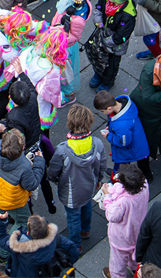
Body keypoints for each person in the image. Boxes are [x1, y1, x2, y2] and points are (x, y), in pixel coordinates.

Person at [47, 104, 106, 250]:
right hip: (89, 186)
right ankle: (86, 230)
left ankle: (75, 245)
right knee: (87, 206)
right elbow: (102, 164)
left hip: (70, 192)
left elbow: (54, 171)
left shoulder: (63, 149)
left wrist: (55, 180)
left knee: (73, 218)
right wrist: (98, 179)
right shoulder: (97, 144)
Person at [0, 129, 45, 262]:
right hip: (13, 201)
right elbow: (32, 184)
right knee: (24, 222)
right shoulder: (23, 166)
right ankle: (2, 253)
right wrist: (39, 162)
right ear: (22, 148)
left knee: (1, 217)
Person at [0, 211, 77, 278]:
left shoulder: (20, 246)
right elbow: (74, 252)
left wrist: (0, 220)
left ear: (28, 233)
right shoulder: (56, 237)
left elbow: (0, 238)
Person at [101, 162, 149, 278]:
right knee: (135, 254)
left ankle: (116, 275)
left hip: (122, 239)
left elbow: (112, 216)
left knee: (117, 264)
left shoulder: (124, 202)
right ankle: (134, 269)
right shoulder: (145, 185)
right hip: (138, 231)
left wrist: (107, 196)